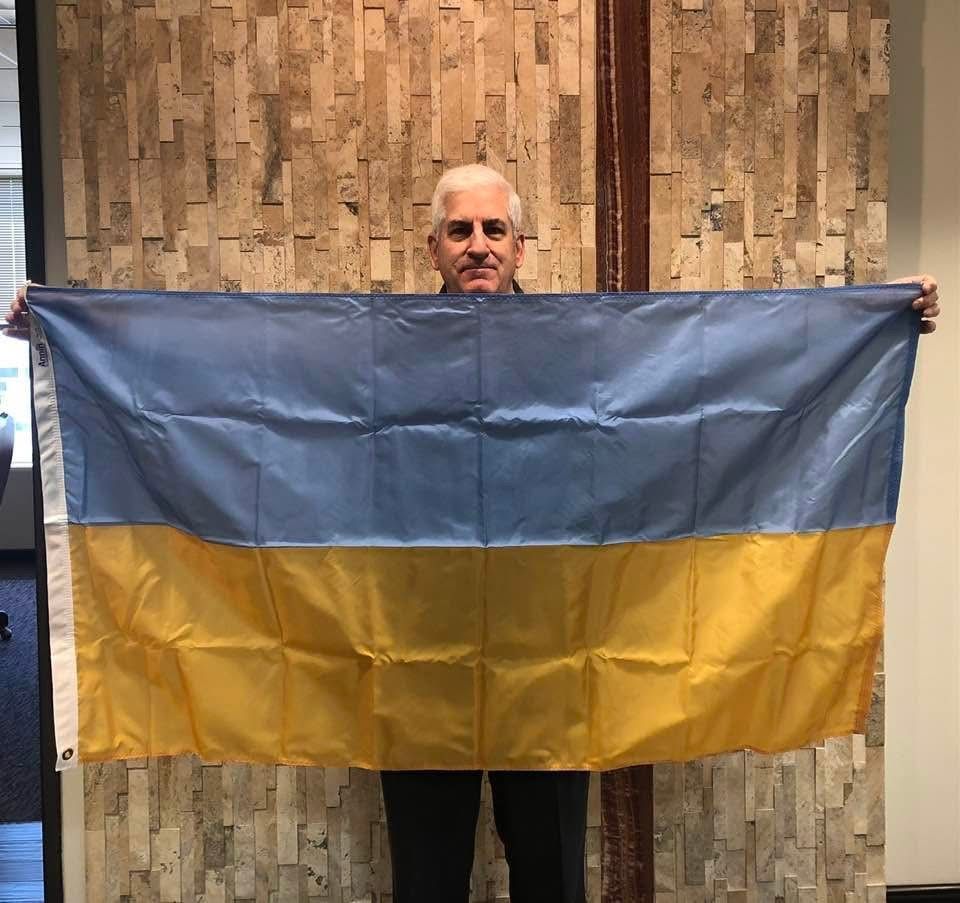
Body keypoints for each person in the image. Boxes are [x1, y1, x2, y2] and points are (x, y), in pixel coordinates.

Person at [4, 164, 943, 903]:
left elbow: (708, 396)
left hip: (554, 662)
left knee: (550, 881)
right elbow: (237, 390)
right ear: (433, 244)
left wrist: (880, 323)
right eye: (461, 229)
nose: (479, 244)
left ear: (523, 246)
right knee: (428, 880)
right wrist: (59, 336)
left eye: (495, 228)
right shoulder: (375, 352)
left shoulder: (589, 354)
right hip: (414, 662)